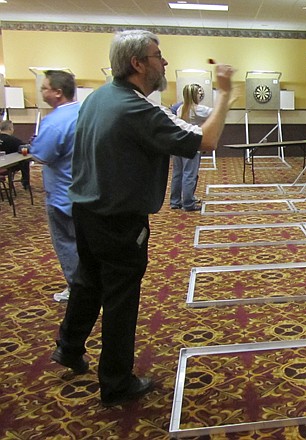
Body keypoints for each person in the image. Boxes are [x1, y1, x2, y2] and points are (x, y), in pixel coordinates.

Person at [50, 29, 234, 408]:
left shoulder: (100, 97)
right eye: (157, 55)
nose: (163, 62)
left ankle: (69, 347)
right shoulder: (137, 108)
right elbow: (207, 140)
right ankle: (116, 382)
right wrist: (226, 93)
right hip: (119, 219)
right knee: (121, 298)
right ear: (137, 63)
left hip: (86, 209)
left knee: (88, 282)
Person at [29, 71, 81, 303]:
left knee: (67, 243)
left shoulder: (56, 121)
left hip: (62, 193)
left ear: (58, 92)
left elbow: (42, 155)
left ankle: (78, 289)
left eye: (45, 88)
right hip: (87, 190)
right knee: (85, 243)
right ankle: (91, 287)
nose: (42, 92)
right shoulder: (86, 112)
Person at [170, 83, 212, 211]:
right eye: (199, 92)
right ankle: (188, 203)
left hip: (177, 144)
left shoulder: (180, 108)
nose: (200, 94)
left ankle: (175, 202)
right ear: (194, 94)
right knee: (190, 174)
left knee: (177, 173)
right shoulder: (198, 109)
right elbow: (216, 114)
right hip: (191, 144)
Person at [0, 120, 31, 189]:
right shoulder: (14, 140)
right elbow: (25, 148)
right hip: (9, 166)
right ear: (10, 129)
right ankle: (25, 183)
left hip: (1, 166)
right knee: (25, 160)